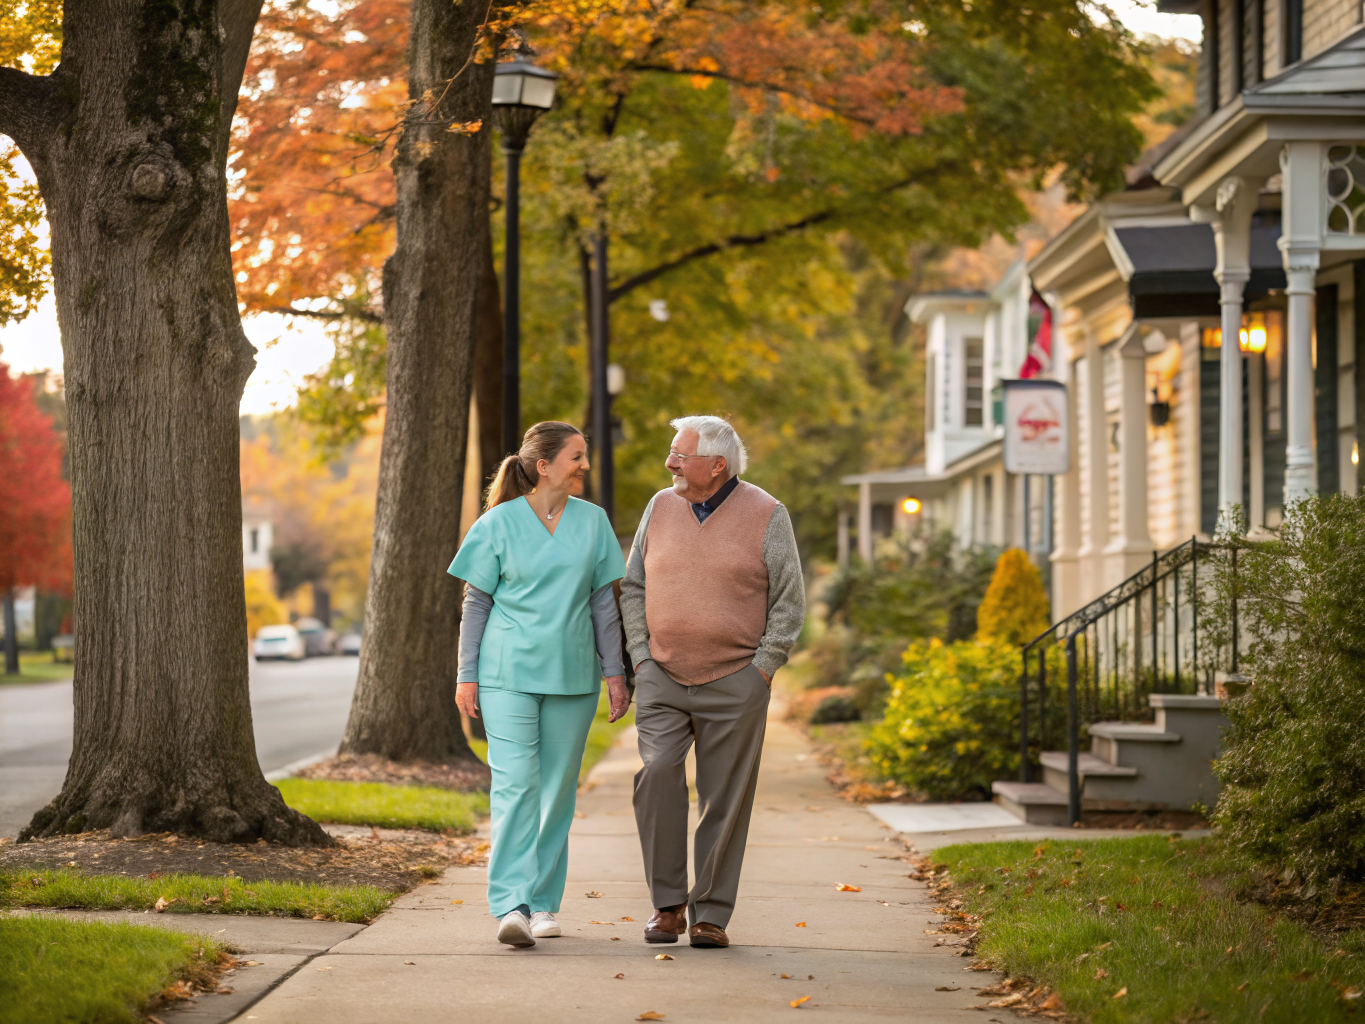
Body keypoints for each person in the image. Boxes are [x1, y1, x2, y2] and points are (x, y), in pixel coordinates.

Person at [620, 415, 804, 948]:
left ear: (717, 464)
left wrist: (763, 668)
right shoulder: (659, 507)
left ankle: (711, 914)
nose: (669, 462)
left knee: (724, 800)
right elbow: (633, 586)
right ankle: (668, 905)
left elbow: (789, 601)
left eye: (680, 454)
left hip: (736, 680)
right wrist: (641, 658)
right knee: (656, 775)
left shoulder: (768, 513)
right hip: (662, 674)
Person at [449, 421, 630, 949]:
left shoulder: (593, 522)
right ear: (544, 464)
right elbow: (475, 603)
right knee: (515, 786)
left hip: (573, 676)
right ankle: (511, 903)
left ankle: (546, 903)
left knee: (556, 793)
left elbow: (604, 604)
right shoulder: (496, 524)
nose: (586, 465)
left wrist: (615, 673)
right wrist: (467, 675)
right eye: (577, 456)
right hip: (506, 674)